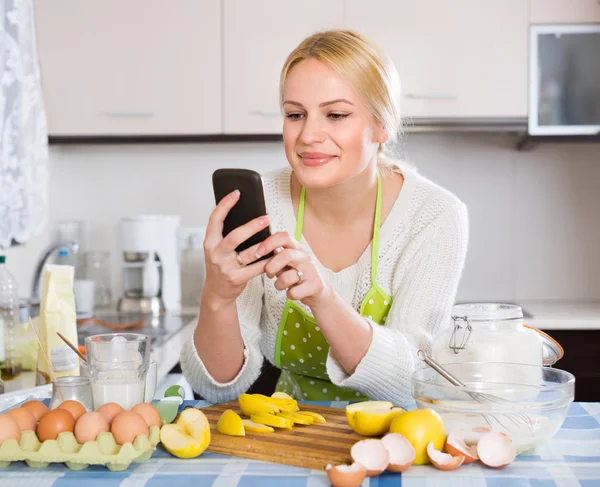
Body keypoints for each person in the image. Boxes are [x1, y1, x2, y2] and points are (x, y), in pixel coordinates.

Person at [180, 29, 469, 407]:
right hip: (293, 434)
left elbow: (414, 385)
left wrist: (322, 298)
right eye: (295, 114)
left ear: (381, 126)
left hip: (396, 440)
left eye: (335, 114)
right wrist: (217, 297)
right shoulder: (263, 205)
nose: (308, 135)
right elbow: (221, 387)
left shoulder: (434, 216)